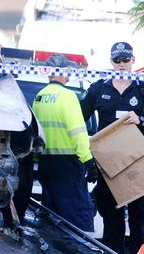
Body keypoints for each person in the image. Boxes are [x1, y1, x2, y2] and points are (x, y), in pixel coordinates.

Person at [79, 41, 144, 254]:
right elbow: (78, 118)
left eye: (126, 59)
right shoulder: (98, 89)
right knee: (110, 214)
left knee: (140, 216)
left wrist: (141, 119)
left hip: (138, 162)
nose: (122, 64)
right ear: (111, 62)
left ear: (133, 60)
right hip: (109, 164)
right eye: (117, 60)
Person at [30, 54, 96, 231]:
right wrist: (88, 161)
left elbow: (36, 132)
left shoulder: (40, 96)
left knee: (51, 216)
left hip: (45, 162)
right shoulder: (68, 96)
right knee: (77, 216)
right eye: (68, 69)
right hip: (67, 165)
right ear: (61, 71)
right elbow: (78, 132)